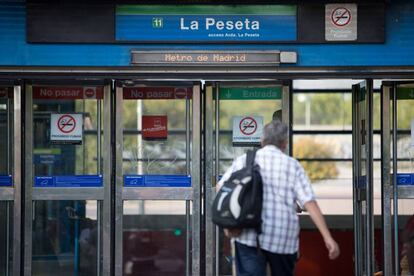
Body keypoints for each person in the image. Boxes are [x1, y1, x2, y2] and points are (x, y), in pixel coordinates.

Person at [217, 120, 340, 276]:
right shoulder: (292, 165)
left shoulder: (245, 161)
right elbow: (309, 202)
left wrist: (232, 217)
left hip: (248, 234)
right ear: (284, 143)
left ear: (262, 140)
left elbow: (221, 187)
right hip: (282, 237)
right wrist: (327, 238)